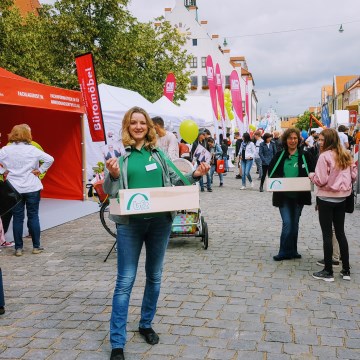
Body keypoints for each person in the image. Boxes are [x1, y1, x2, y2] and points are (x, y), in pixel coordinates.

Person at [103, 107, 209, 360]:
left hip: (160, 224)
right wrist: (114, 175)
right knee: (125, 282)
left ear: (149, 127)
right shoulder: (120, 155)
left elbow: (176, 178)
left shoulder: (159, 154)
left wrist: (195, 174)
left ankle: (145, 324)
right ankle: (117, 342)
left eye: (142, 123)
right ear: (127, 127)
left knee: (155, 277)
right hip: (130, 226)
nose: (138, 127)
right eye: (133, 123)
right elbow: (110, 190)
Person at [309, 129, 357, 282]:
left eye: (322, 140)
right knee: (341, 233)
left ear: (329, 141)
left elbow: (321, 180)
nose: (319, 142)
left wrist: (311, 176)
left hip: (326, 198)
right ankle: (346, 270)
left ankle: (328, 271)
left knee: (327, 234)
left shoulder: (324, 156)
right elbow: (354, 175)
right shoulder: (346, 154)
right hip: (342, 198)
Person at [0, 125, 54, 256]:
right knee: (33, 216)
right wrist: (40, 170)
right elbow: (50, 159)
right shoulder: (33, 150)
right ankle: (36, 246)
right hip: (32, 186)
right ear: (27, 134)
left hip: (14, 188)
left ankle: (18, 248)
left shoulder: (5, 150)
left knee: (18, 218)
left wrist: (3, 171)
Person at [268, 128, 315, 261]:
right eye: (290, 138)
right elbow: (271, 173)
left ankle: (293, 250)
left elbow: (312, 172)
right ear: (285, 140)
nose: (292, 141)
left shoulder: (305, 156)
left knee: (295, 223)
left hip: (299, 196)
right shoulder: (280, 155)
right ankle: (283, 251)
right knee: (287, 223)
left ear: (298, 140)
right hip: (283, 196)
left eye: (295, 138)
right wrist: (282, 181)